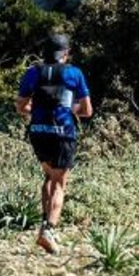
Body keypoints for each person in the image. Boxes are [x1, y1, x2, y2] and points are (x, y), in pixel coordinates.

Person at [15, 33, 93, 254]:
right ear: (65, 54)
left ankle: (43, 224)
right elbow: (87, 111)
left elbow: (21, 106)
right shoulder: (74, 73)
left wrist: (38, 110)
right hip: (62, 133)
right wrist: (69, 109)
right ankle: (48, 230)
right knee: (59, 183)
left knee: (49, 176)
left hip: (38, 132)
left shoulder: (32, 72)